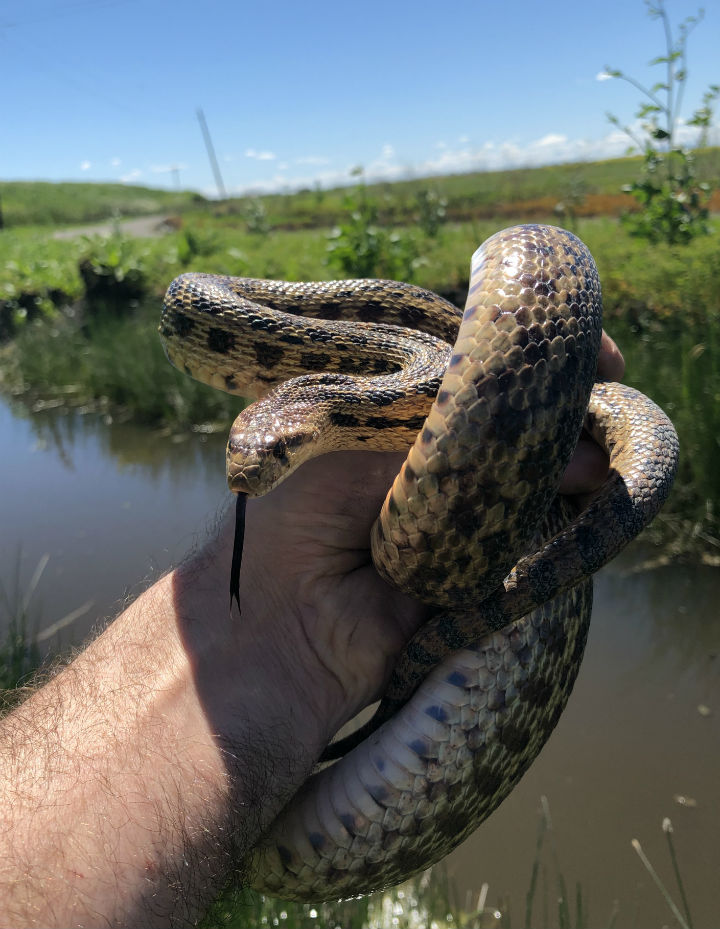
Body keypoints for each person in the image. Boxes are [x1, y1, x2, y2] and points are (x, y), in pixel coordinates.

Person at [0, 336, 625, 928]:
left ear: (312, 427)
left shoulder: (377, 392)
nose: (249, 475)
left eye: (277, 455)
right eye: (241, 454)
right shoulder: (350, 408)